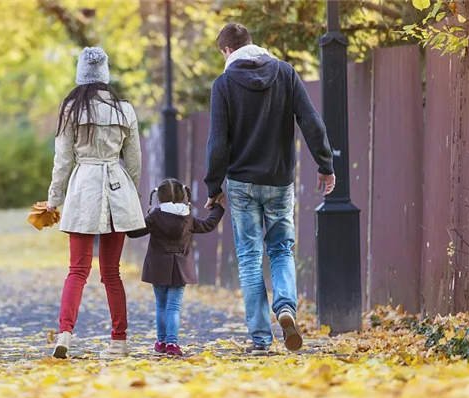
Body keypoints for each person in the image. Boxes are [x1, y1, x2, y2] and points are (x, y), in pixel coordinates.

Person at [204, 23, 336, 354]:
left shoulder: (224, 84)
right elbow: (311, 122)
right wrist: (325, 165)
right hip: (278, 182)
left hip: (241, 184)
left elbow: (218, 142)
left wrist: (212, 186)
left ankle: (261, 340)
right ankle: (287, 308)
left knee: (250, 258)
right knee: (280, 250)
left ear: (226, 51)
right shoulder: (285, 73)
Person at [47, 47, 145, 359]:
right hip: (117, 187)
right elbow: (135, 161)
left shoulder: (71, 110)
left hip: (83, 189)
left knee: (77, 270)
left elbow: (62, 161)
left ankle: (65, 333)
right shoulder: (124, 109)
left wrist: (54, 200)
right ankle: (119, 340)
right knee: (111, 272)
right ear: (105, 75)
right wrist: (131, 193)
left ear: (80, 75)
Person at [127, 178, 224, 356]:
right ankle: (172, 343)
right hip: (180, 269)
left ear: (160, 198)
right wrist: (218, 208)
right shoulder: (187, 218)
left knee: (161, 305)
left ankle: (161, 342)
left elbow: (134, 232)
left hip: (158, 268)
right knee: (173, 307)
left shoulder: (155, 216)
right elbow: (208, 225)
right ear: (183, 196)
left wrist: (127, 216)